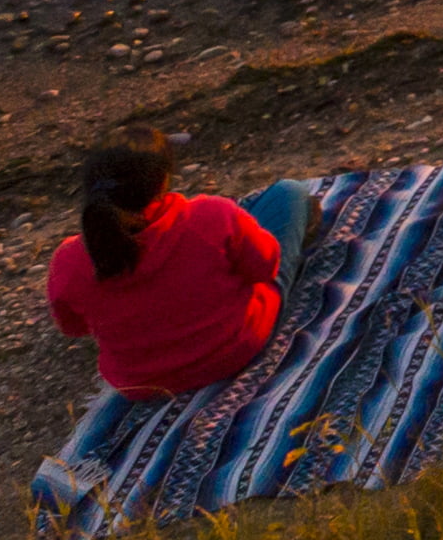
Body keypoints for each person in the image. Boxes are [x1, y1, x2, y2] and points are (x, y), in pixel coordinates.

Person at [45, 125, 323, 397]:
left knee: (238, 220)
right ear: (162, 181)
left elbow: (74, 327)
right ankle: (290, 227)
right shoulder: (210, 216)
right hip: (238, 347)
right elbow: (265, 266)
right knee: (288, 192)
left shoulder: (68, 262)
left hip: (144, 384)